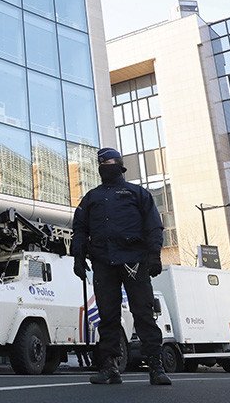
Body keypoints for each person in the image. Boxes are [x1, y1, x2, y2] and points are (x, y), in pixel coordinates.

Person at [71, 147, 171, 386]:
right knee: (107, 316)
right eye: (102, 163)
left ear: (120, 165)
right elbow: (80, 230)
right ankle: (109, 367)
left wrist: (154, 255)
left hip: (134, 260)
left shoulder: (137, 193)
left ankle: (156, 367)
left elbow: (153, 226)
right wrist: (77, 257)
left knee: (143, 313)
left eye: (109, 162)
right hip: (103, 261)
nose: (105, 166)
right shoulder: (91, 197)